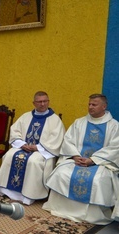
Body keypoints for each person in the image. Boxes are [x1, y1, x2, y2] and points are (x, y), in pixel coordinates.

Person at [43, 94, 119, 225]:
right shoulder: (80, 122)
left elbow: (115, 148)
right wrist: (75, 156)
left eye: (94, 104)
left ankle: (92, 215)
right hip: (77, 159)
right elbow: (68, 140)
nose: (90, 107)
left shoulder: (114, 126)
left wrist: (93, 160)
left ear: (104, 106)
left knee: (97, 179)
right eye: (89, 104)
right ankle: (60, 208)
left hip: (101, 163)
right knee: (61, 173)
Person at [0, 91, 65, 205]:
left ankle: (29, 195)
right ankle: (6, 189)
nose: (42, 104)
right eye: (39, 102)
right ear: (34, 103)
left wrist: (37, 147)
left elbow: (56, 140)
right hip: (24, 147)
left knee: (33, 161)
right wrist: (21, 144)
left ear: (48, 102)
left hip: (42, 151)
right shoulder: (26, 116)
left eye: (45, 101)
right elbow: (15, 131)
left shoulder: (55, 120)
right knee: (9, 155)